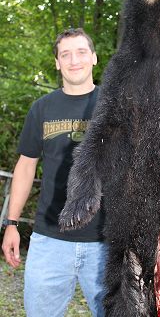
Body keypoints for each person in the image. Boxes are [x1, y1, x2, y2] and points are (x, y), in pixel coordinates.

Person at [1, 28, 107, 317]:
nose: (74, 60)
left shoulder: (114, 107)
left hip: (106, 241)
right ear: (58, 63)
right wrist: (11, 223)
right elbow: (25, 167)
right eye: (66, 54)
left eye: (81, 52)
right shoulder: (42, 108)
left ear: (94, 58)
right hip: (50, 241)